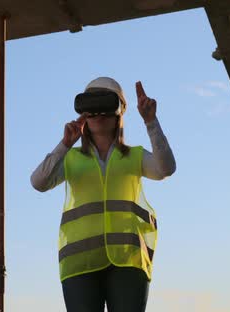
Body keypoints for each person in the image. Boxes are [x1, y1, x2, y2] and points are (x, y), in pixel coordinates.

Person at [30, 77, 176, 312]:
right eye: (91, 108)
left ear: (118, 112)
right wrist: (64, 144)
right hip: (79, 264)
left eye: (105, 106)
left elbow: (166, 168)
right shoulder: (70, 158)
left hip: (128, 260)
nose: (98, 114)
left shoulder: (135, 156)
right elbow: (38, 182)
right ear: (83, 114)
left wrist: (151, 122)